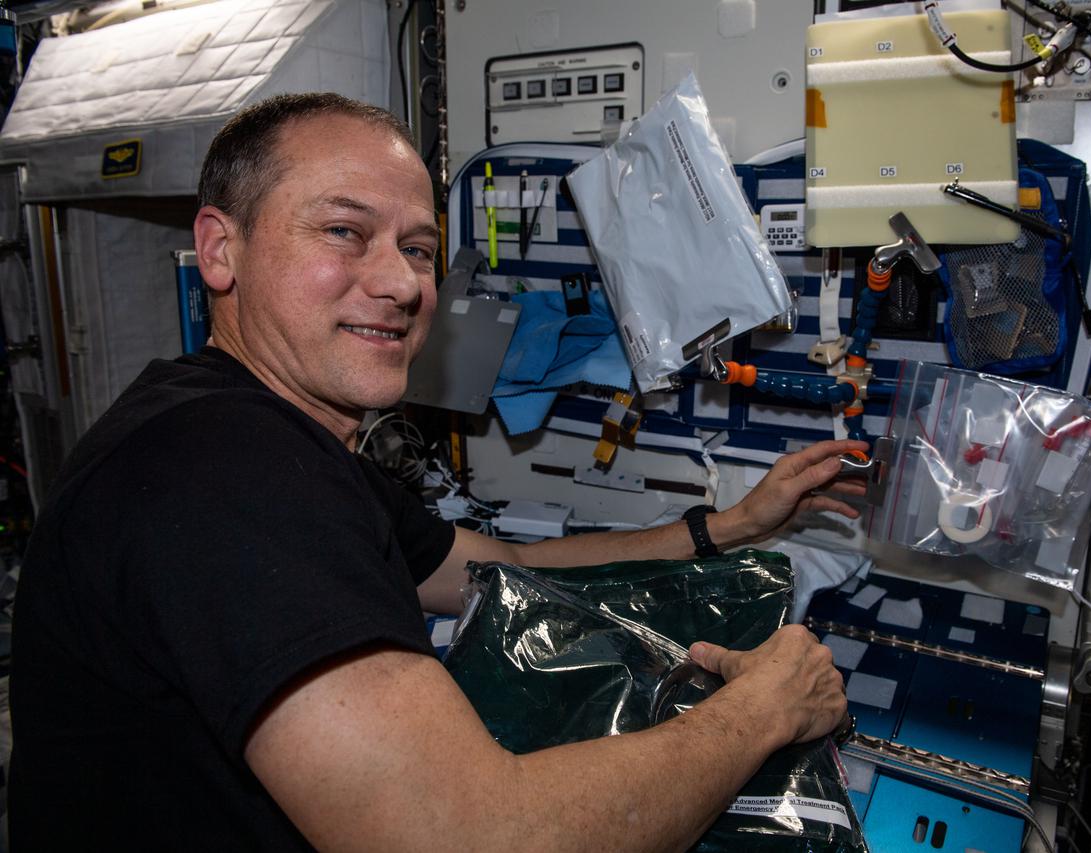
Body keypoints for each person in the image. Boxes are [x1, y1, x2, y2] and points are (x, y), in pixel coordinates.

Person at [8, 93, 867, 850]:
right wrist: (762, 712)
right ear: (220, 251)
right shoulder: (222, 469)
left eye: (418, 249)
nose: (401, 282)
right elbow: (477, 837)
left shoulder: (266, 433)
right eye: (344, 231)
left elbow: (501, 571)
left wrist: (730, 527)